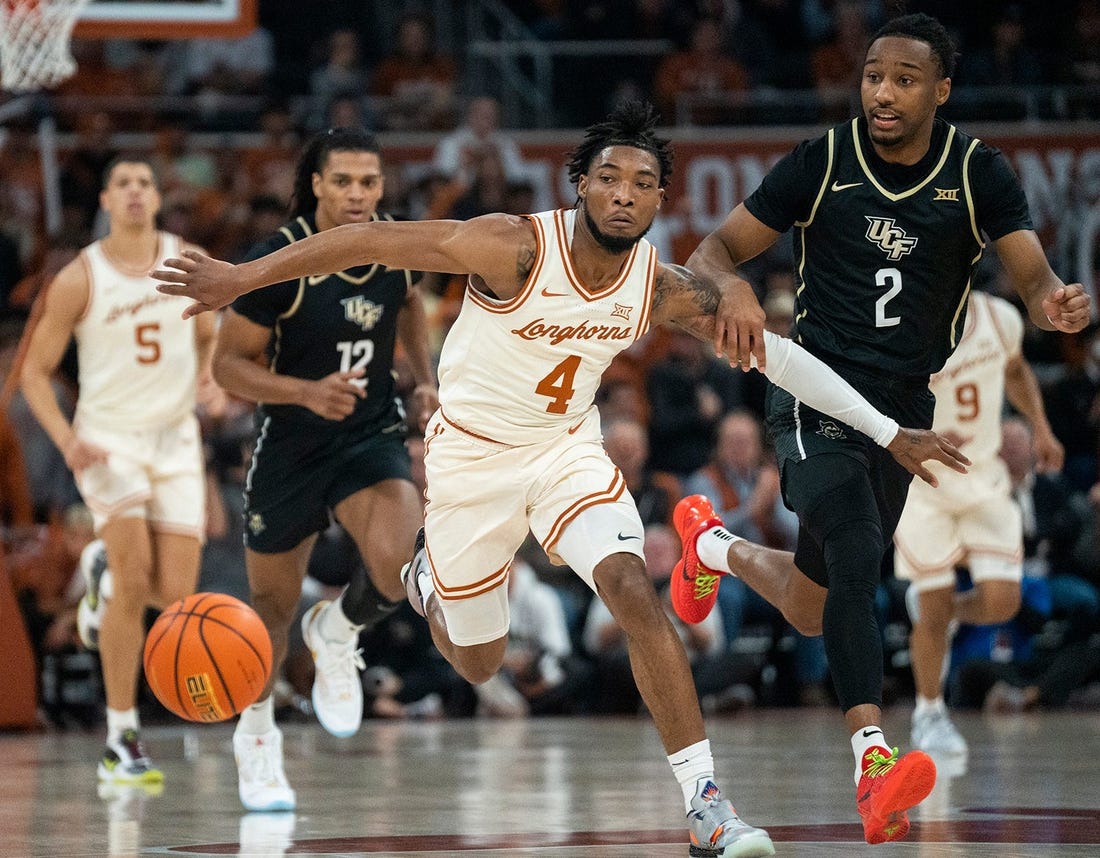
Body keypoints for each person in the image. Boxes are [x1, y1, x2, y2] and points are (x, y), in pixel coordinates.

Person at [154, 100, 968, 858]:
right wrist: (240, 278)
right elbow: (368, 242)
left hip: (564, 453)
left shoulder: (656, 285)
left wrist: (890, 432)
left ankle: (706, 804)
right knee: (478, 663)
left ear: (658, 203)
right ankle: (430, 577)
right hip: (472, 461)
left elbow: (781, 357)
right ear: (580, 184)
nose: (625, 195)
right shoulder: (509, 245)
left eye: (644, 184)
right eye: (610, 178)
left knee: (630, 586)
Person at [668, 13, 1091, 845]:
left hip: (905, 411)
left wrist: (1053, 303)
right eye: (872, 76)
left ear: (941, 89)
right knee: (859, 549)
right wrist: (737, 287)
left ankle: (709, 550)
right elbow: (714, 250)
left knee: (816, 601)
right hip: (813, 390)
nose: (883, 92)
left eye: (903, 79)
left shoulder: (978, 173)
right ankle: (873, 764)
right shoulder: (824, 159)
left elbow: (1032, 272)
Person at [208, 127, 438, 812]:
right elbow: (226, 367)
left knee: (400, 565)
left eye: (369, 182)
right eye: (344, 181)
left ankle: (337, 632)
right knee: (271, 609)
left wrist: (421, 378)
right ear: (316, 185)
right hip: (290, 446)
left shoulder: (397, 244)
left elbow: (411, 307)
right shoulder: (275, 262)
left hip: (370, 433)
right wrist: (303, 391)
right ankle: (256, 738)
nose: (358, 194)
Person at [20, 155, 217, 783]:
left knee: (175, 598)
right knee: (135, 581)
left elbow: (212, 334)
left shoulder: (188, 260)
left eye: (145, 183)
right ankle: (121, 740)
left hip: (176, 440)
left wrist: (211, 378)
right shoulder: (81, 276)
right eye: (124, 183)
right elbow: (31, 373)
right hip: (108, 443)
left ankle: (99, 576)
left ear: (158, 198)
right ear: (106, 199)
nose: (135, 192)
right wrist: (67, 439)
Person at [893, 290, 1063, 756]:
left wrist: (1042, 429)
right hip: (923, 483)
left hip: (984, 476)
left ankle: (941, 616)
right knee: (933, 601)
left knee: (1002, 602)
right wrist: (910, 431)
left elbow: (1015, 371)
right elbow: (876, 394)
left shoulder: (1001, 317)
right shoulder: (900, 316)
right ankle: (929, 713)